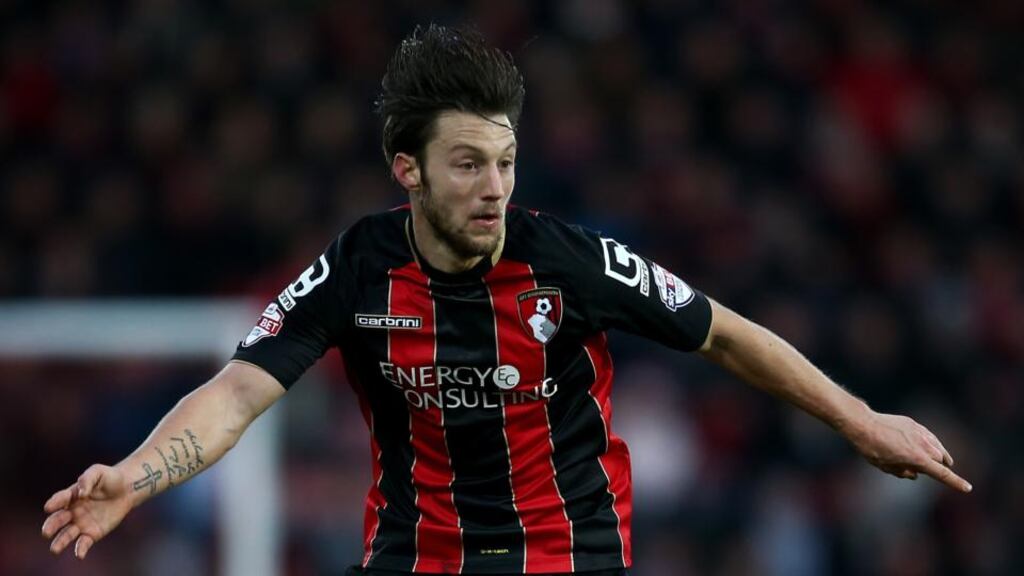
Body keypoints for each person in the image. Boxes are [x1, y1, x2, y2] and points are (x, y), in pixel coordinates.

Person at [41, 24, 971, 576]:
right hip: (416, 558)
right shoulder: (359, 267)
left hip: (567, 558)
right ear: (406, 169)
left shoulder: (564, 261)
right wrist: (137, 473)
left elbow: (724, 336)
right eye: (467, 163)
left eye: (505, 161)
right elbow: (241, 390)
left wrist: (860, 422)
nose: (494, 185)